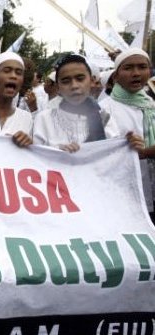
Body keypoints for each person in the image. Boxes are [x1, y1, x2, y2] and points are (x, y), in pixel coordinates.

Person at [99, 48, 155, 218]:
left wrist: (145, 151)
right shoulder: (105, 109)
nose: (136, 73)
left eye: (142, 67)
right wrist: (136, 151)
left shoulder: (151, 105)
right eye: (128, 68)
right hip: (125, 194)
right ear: (116, 76)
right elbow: (108, 151)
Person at [32, 54, 111, 152]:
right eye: (66, 81)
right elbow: (36, 158)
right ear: (58, 87)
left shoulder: (106, 118)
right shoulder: (44, 119)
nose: (74, 86)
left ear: (91, 81)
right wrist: (57, 153)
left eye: (80, 79)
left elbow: (115, 155)